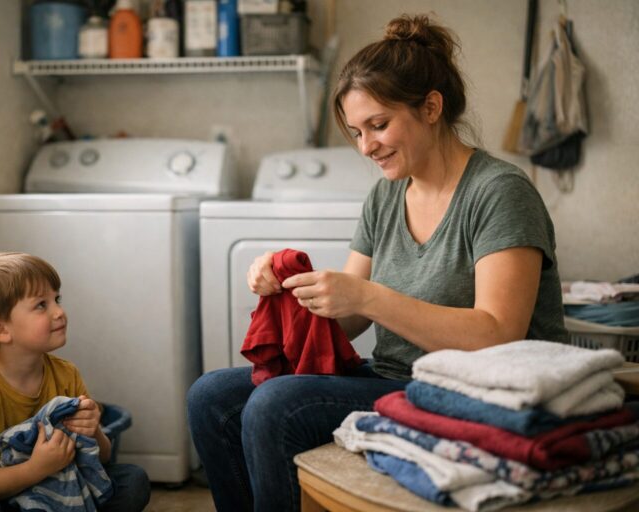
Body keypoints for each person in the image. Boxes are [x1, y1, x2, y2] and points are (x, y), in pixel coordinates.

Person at [187, 13, 567, 512]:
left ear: (431, 107)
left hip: (482, 395)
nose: (367, 147)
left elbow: (497, 335)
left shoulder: (499, 193)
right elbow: (347, 322)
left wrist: (367, 295)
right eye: (356, 132)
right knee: (211, 395)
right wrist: (291, 289)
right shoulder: (386, 198)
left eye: (379, 125)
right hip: (395, 379)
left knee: (275, 406)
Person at [0, 252, 150, 511]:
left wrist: (93, 429)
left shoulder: (66, 374)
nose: (59, 312)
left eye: (57, 299)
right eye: (42, 305)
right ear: (0, 330)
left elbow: (104, 456)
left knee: (133, 480)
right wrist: (36, 468)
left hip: (53, 485)